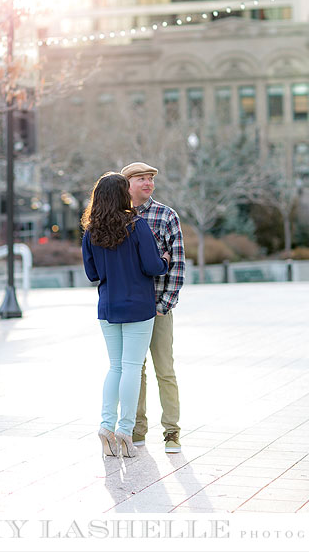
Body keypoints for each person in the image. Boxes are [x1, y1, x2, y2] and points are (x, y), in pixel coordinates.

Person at [81, 172, 170, 458]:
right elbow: (152, 266)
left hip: (108, 307)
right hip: (138, 307)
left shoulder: (90, 231)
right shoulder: (137, 225)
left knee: (115, 367)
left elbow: (92, 274)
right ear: (123, 194)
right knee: (132, 368)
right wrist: (165, 260)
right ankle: (125, 429)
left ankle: (106, 427)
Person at [120, 161, 185, 454]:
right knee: (135, 370)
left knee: (164, 370)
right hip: (131, 309)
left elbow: (179, 265)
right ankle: (137, 428)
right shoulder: (117, 217)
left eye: (151, 179)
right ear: (127, 184)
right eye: (141, 179)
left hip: (158, 308)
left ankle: (171, 431)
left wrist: (164, 304)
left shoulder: (166, 215)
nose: (148, 183)